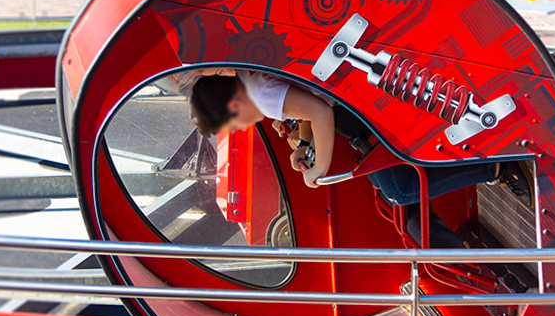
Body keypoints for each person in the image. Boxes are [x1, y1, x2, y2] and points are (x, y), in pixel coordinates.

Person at [187, 69, 516, 210]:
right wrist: (303, 146)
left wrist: (320, 169)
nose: (241, 128)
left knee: (398, 191)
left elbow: (319, 112)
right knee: (383, 186)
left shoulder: (262, 97)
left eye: (233, 125)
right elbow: (304, 105)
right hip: (359, 112)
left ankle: (493, 170)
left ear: (234, 106)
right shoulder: (253, 81)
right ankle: (489, 170)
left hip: (363, 119)